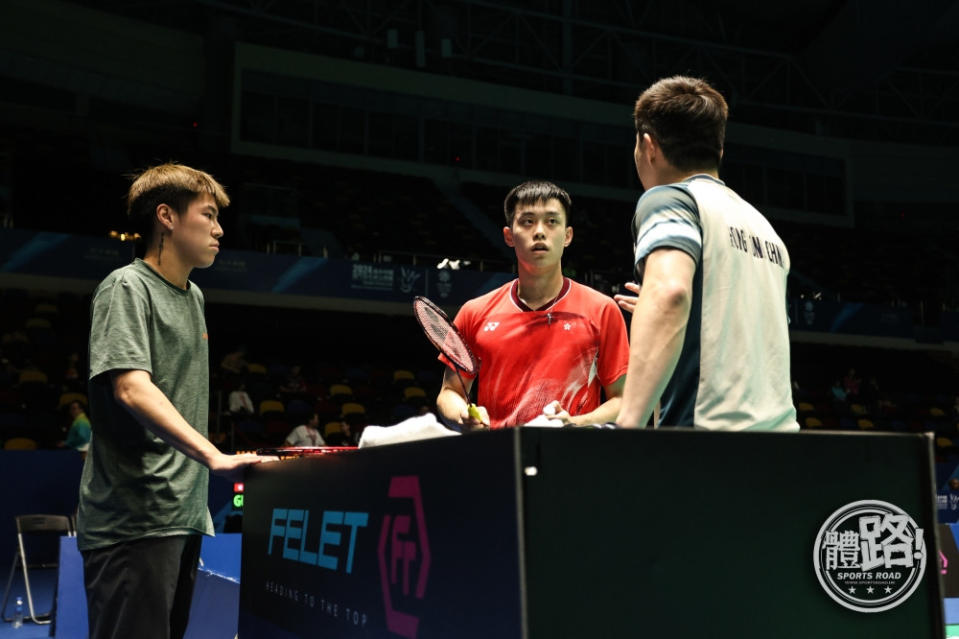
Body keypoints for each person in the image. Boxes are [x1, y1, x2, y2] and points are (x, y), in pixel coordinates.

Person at [77, 163, 272, 639]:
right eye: (208, 215)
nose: (220, 229)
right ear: (166, 216)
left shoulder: (194, 296)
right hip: (133, 519)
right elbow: (130, 387)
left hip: (180, 513)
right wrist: (212, 456)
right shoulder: (127, 287)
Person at [615, 76, 798, 431]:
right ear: (719, 152)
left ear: (648, 146)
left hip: (706, 447)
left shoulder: (670, 200)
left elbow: (670, 293)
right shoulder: (764, 228)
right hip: (782, 447)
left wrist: (628, 424)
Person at [436, 180, 630, 429]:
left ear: (567, 235)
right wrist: (463, 415)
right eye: (527, 221)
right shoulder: (474, 313)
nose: (539, 231)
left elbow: (622, 399)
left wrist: (576, 422)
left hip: (571, 456)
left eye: (551, 221)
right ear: (508, 235)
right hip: (499, 456)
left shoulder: (602, 311)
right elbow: (449, 392)